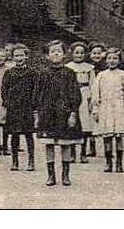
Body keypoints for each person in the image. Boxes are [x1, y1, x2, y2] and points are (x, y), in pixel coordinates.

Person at [37, 40, 84, 187]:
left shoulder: (69, 73)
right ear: (47, 56)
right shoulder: (43, 74)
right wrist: (37, 114)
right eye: (53, 51)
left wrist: (73, 113)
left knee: (65, 144)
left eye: (59, 51)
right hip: (47, 114)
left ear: (64, 54)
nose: (56, 53)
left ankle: (65, 175)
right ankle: (51, 175)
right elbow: (37, 95)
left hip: (65, 113)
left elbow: (75, 94)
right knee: (49, 144)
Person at [91, 48, 124, 173]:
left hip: (119, 108)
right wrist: (96, 108)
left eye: (115, 58)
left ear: (119, 60)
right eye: (109, 58)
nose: (112, 61)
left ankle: (119, 163)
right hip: (105, 108)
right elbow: (96, 93)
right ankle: (108, 163)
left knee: (119, 136)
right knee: (107, 136)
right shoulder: (101, 75)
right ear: (106, 60)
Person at [2, 43, 38, 171]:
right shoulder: (9, 73)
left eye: (21, 55)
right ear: (12, 57)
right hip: (14, 108)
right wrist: (7, 103)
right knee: (14, 135)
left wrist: (34, 106)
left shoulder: (32, 73)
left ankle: (31, 160)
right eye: (16, 56)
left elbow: (35, 90)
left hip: (27, 107)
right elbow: (4, 90)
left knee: (29, 135)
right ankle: (15, 161)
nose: (19, 58)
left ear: (26, 56)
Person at [65, 41, 97, 163]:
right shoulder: (68, 67)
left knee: (85, 125)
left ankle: (83, 153)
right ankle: (72, 153)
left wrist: (92, 101)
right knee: (72, 124)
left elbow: (93, 86)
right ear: (72, 53)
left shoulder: (89, 68)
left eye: (82, 53)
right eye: (76, 52)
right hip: (72, 95)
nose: (79, 55)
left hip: (85, 95)